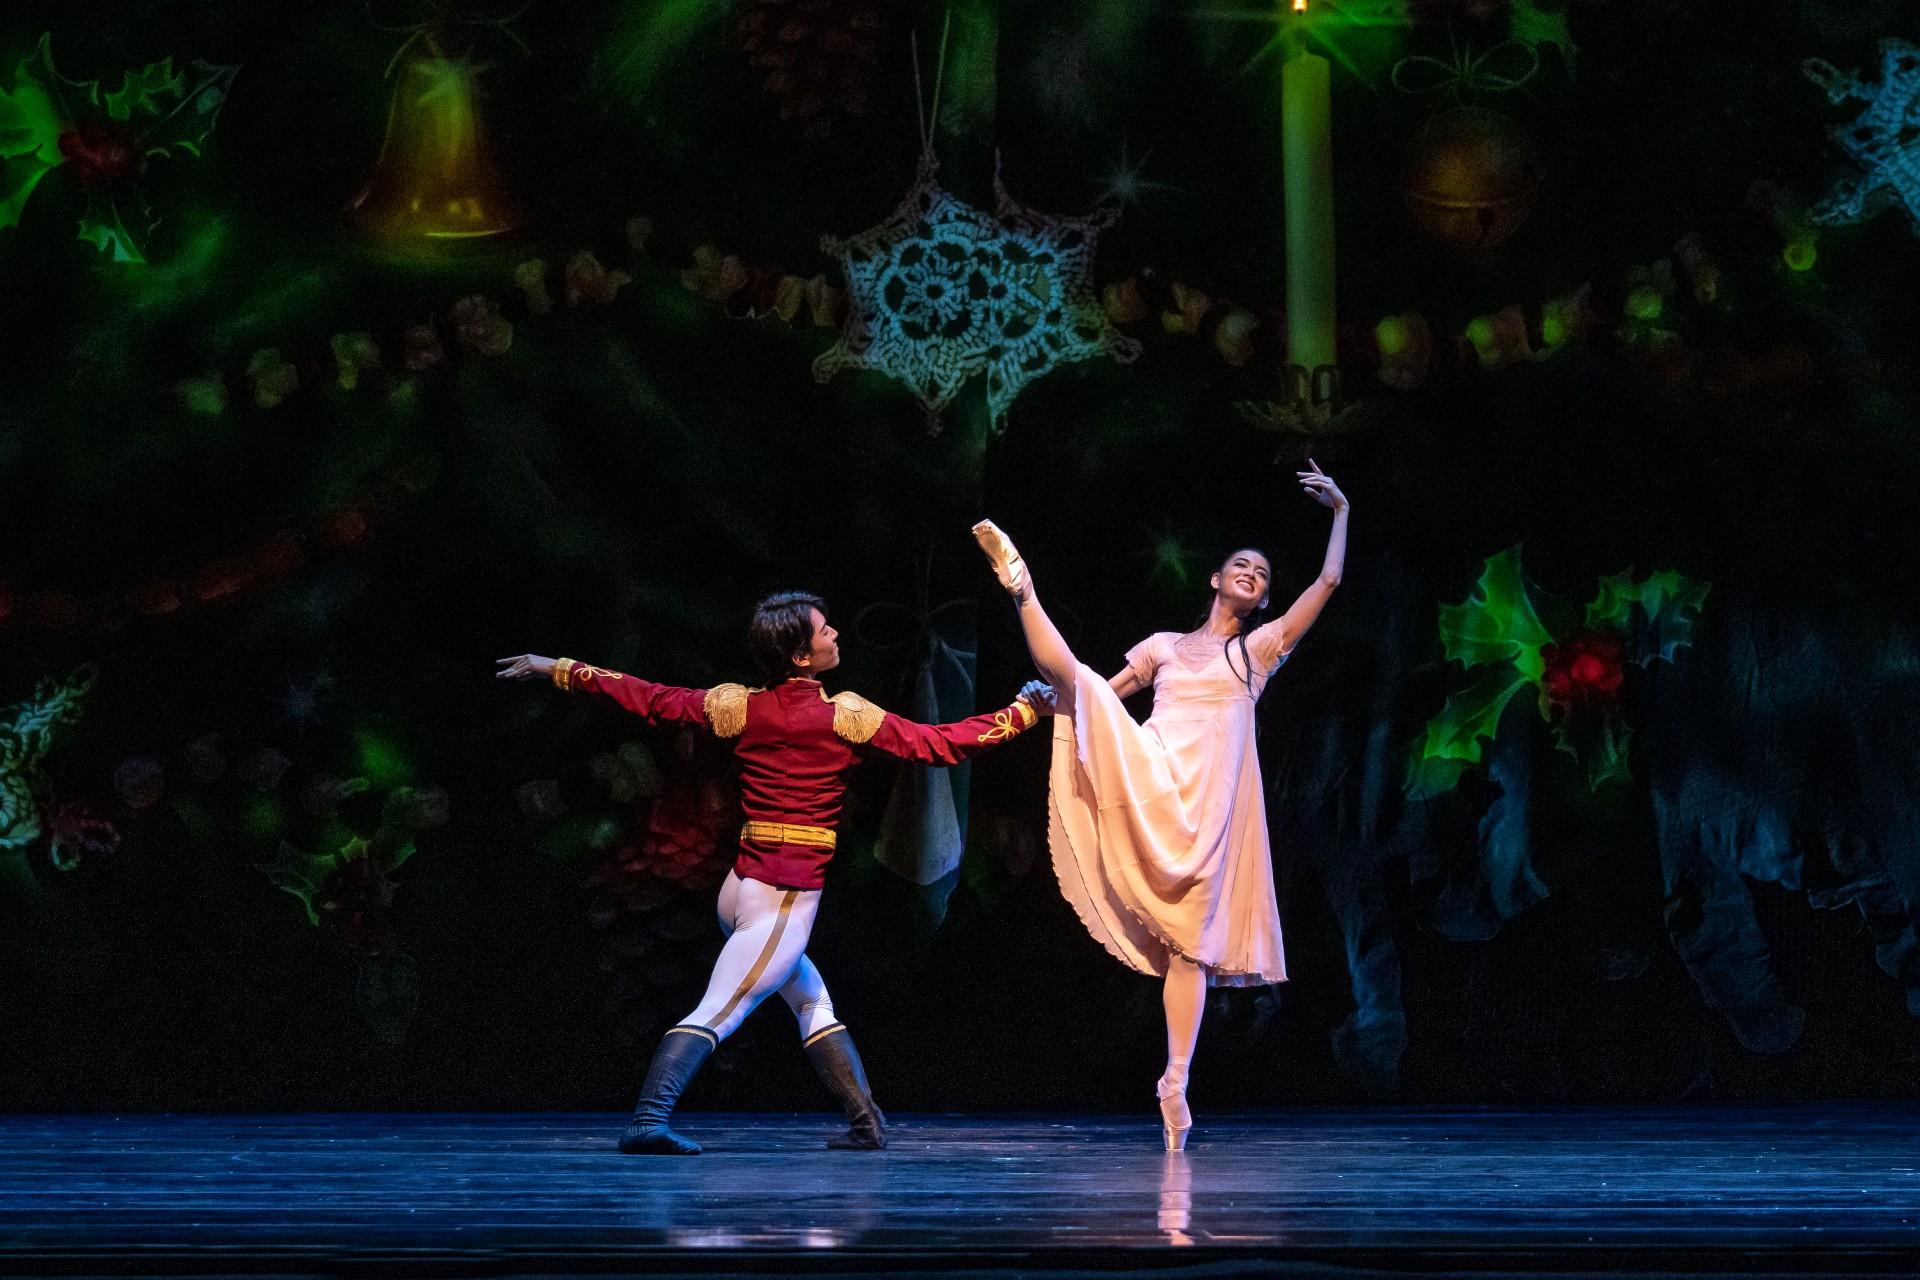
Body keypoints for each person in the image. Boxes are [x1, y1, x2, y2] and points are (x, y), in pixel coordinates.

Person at [498, 591, 1052, 1155]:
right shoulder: (845, 717)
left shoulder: (739, 707)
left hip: (740, 890)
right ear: (800, 658)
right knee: (720, 1010)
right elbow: (939, 744)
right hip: (783, 896)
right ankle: (647, 1120)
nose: (835, 632)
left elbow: (649, 697)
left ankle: (866, 1123)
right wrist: (1027, 712)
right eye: (823, 629)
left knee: (813, 1001)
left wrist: (563, 670)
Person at [970, 460, 1349, 1149]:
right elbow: (1105, 699)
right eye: (1241, 566)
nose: (1252, 577)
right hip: (1155, 773)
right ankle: (1023, 589)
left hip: (1211, 807)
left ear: (1264, 601)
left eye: (1262, 576)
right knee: (1079, 677)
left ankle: (1175, 1077)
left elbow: (1328, 583)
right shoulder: (1165, 647)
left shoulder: (1258, 652)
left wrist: (1340, 513)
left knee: (1192, 947)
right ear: (1214, 580)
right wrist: (1062, 702)